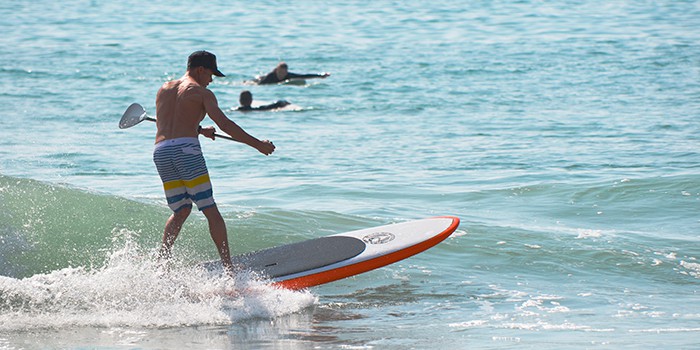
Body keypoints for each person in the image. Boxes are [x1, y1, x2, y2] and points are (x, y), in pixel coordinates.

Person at [153, 50, 275, 275]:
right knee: (210, 209)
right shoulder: (201, 93)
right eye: (211, 74)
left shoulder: (164, 89)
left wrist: (198, 130)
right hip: (186, 152)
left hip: (161, 152)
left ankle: (162, 263)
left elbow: (170, 125)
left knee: (180, 210)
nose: (211, 80)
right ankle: (229, 269)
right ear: (201, 69)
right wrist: (258, 144)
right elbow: (226, 125)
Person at [253, 62, 330, 85]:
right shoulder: (270, 76)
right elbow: (260, 84)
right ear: (276, 71)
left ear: (286, 72)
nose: (281, 74)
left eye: (283, 73)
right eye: (280, 72)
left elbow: (303, 76)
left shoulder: (289, 76)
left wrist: (320, 76)